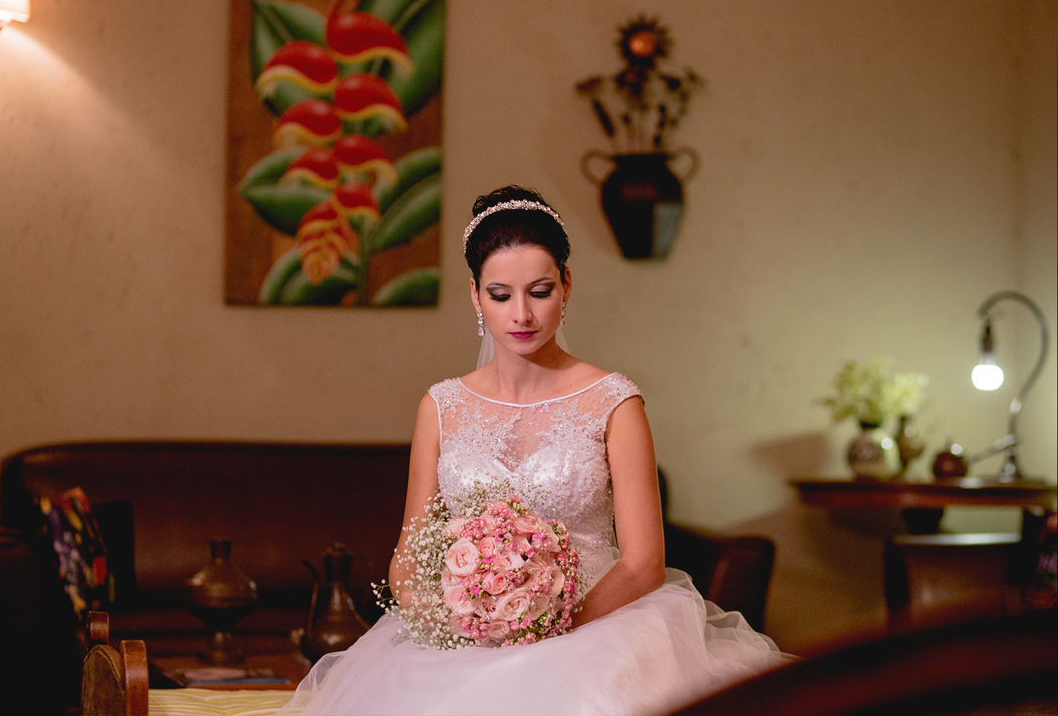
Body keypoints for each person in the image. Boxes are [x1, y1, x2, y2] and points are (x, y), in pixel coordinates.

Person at [281, 186, 790, 716]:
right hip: (467, 638)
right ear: (475, 294)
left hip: (599, 630)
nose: (521, 314)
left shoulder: (614, 402)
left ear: (567, 285)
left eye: (540, 291)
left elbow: (644, 564)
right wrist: (458, 624)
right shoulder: (441, 405)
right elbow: (409, 557)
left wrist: (549, 630)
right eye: (500, 295)